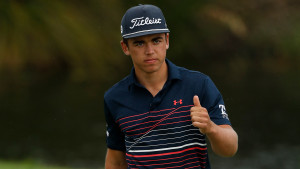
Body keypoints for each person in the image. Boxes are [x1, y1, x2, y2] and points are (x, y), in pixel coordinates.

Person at [104, 4, 238, 169]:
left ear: (166, 41)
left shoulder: (199, 84)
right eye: (139, 43)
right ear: (125, 47)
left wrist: (210, 127)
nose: (150, 50)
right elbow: (116, 161)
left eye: (156, 40)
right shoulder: (114, 98)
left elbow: (230, 149)